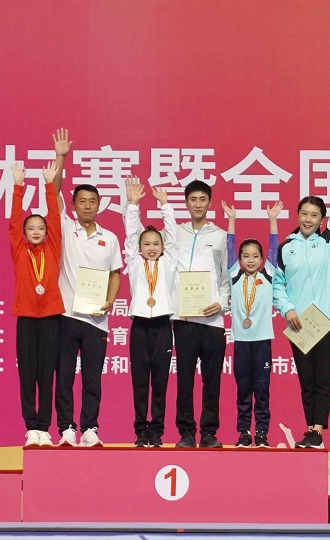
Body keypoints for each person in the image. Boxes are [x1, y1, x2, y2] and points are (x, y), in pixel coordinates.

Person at [273, 142, 330, 450]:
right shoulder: (286, 247)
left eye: (314, 215)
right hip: (300, 322)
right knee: (306, 378)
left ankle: (317, 431)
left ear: (321, 220)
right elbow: (278, 284)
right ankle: (310, 429)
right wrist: (288, 310)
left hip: (326, 318)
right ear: (297, 215)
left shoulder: (328, 241)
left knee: (323, 377)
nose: (308, 219)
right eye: (304, 213)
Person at [52, 130, 123, 447]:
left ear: (99, 206)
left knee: (93, 378)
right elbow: (53, 190)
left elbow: (115, 274)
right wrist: (61, 157)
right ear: (73, 205)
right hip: (67, 316)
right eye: (82, 201)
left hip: (97, 319)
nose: (87, 206)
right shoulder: (66, 227)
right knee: (64, 375)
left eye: (92, 202)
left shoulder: (110, 238)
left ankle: (90, 428)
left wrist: (109, 300)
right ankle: (67, 428)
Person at [9, 154, 65, 447]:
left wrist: (48, 185)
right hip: (27, 318)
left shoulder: (52, 248)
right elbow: (13, 223)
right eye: (30, 228)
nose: (35, 232)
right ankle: (31, 427)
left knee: (47, 374)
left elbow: (54, 218)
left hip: (51, 317)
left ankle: (45, 427)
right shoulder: (19, 250)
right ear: (24, 233)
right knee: (28, 374)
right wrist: (18, 187)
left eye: (40, 229)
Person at [172, 180, 231, 448]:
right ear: (186, 203)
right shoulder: (174, 233)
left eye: (202, 199)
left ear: (209, 203)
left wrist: (221, 303)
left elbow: (226, 276)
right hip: (184, 319)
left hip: (212, 320)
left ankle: (209, 432)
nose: (198, 204)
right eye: (193, 199)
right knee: (184, 379)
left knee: (212, 380)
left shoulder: (220, 236)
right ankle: (186, 432)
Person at [221, 199, 283, 448]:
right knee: (243, 389)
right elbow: (230, 246)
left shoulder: (268, 274)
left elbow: (274, 246)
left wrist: (272, 220)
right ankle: (244, 433)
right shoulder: (234, 275)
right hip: (241, 342)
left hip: (263, 341)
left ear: (262, 259)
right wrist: (232, 220)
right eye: (245, 256)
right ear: (239, 259)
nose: (250, 260)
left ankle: (262, 433)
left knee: (262, 389)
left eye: (255, 256)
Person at [123, 177, 178, 448]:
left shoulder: (169, 262)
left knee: (160, 382)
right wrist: (133, 205)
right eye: (147, 244)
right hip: (140, 328)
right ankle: (140, 430)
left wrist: (165, 205)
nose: (152, 247)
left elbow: (174, 236)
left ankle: (156, 430)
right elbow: (130, 234)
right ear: (140, 248)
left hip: (163, 327)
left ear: (163, 247)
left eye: (156, 243)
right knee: (140, 381)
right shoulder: (134, 262)